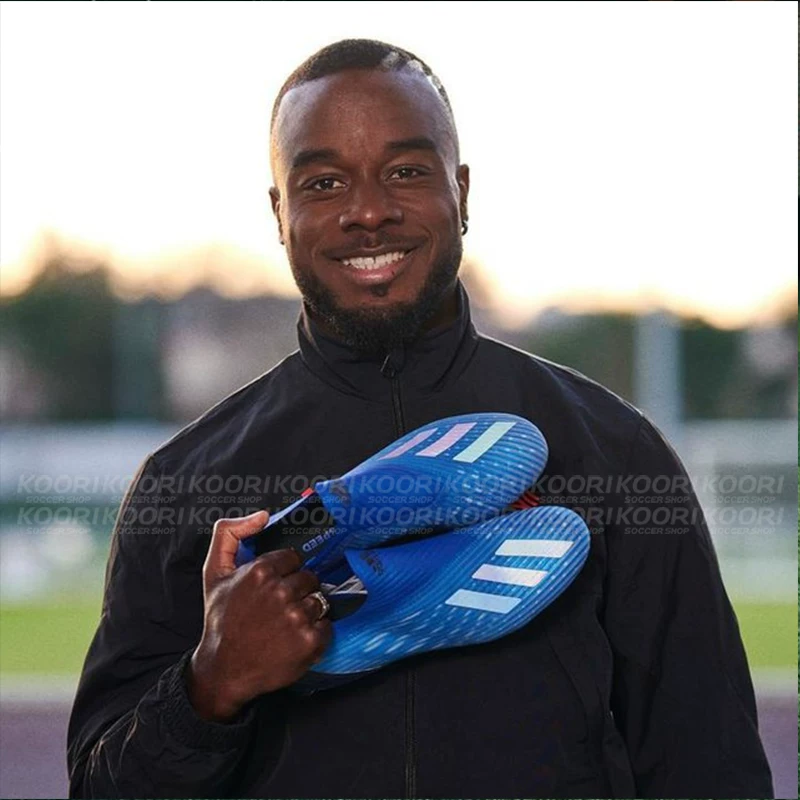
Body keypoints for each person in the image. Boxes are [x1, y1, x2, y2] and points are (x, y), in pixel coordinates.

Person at [67, 39, 773, 799]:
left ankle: (344, 570)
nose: (368, 211)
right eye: (324, 183)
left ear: (461, 193)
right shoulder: (182, 483)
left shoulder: (615, 452)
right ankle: (332, 565)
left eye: (405, 171)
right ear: (280, 213)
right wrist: (211, 684)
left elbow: (709, 762)